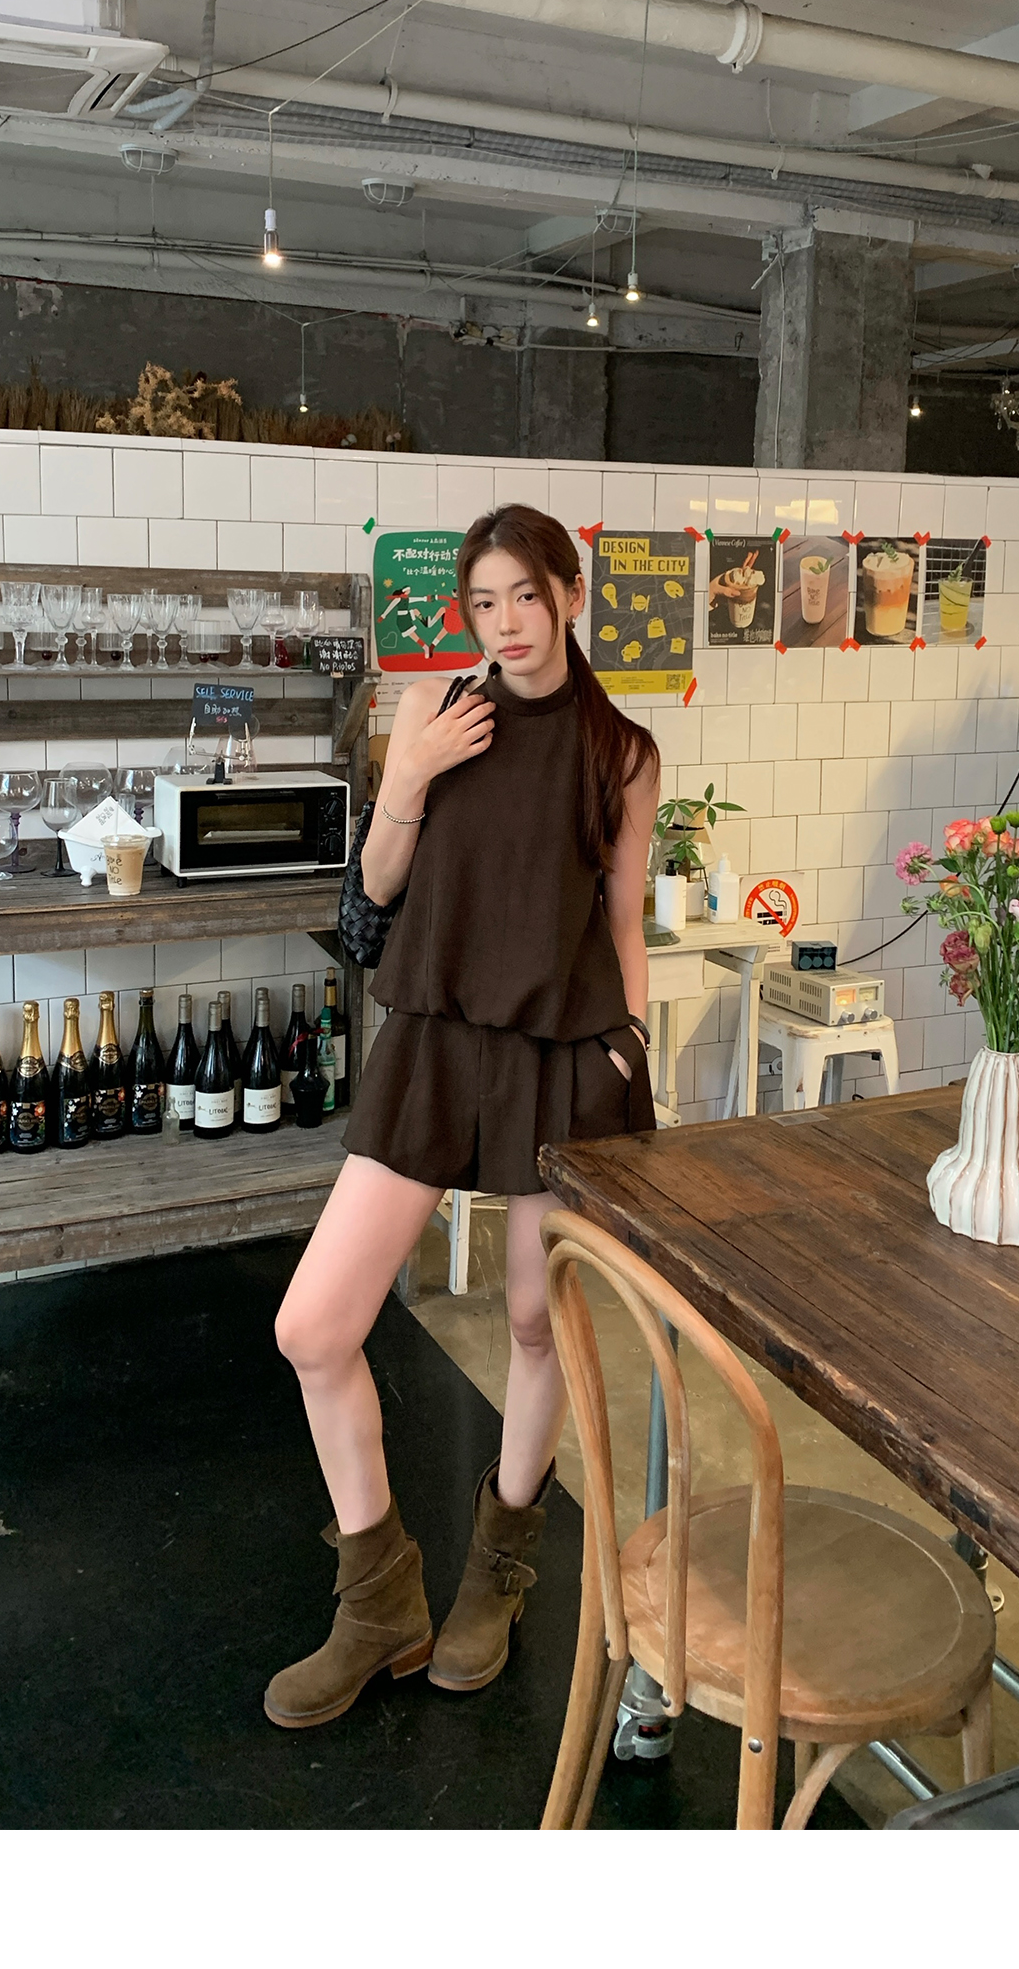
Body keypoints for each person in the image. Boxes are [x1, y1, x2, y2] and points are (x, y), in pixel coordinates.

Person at [266, 504, 660, 1729]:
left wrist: (635, 1049)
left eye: (525, 596)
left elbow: (625, 920)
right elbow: (375, 891)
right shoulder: (441, 715)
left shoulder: (622, 752)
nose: (506, 623)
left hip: (562, 1057)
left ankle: (498, 1569)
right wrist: (407, 774)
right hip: (434, 1043)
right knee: (314, 1327)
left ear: (570, 593)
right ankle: (378, 1599)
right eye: (484, 603)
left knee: (539, 1321)